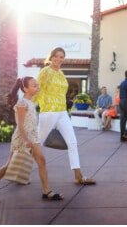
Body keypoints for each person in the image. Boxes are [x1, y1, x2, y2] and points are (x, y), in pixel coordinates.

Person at [0, 77, 64, 204]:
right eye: (34, 86)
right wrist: (26, 139)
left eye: (37, 85)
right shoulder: (22, 103)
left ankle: (47, 191)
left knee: (42, 161)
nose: (37, 87)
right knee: (8, 166)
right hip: (22, 138)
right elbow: (20, 124)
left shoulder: (31, 101)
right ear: (25, 89)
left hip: (32, 137)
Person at [36, 47, 95, 185]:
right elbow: (37, 91)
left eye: (62, 57)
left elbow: (62, 94)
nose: (59, 59)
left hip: (62, 112)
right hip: (48, 111)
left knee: (72, 142)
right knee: (37, 143)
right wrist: (27, 105)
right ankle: (20, 168)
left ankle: (78, 175)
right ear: (51, 57)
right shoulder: (45, 72)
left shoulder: (62, 74)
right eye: (56, 56)